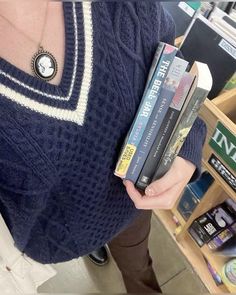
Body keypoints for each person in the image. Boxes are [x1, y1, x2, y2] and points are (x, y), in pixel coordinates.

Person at [0, 1, 207, 293]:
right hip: (49, 240)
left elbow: (174, 67)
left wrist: (185, 144)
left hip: (130, 206)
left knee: (139, 271)